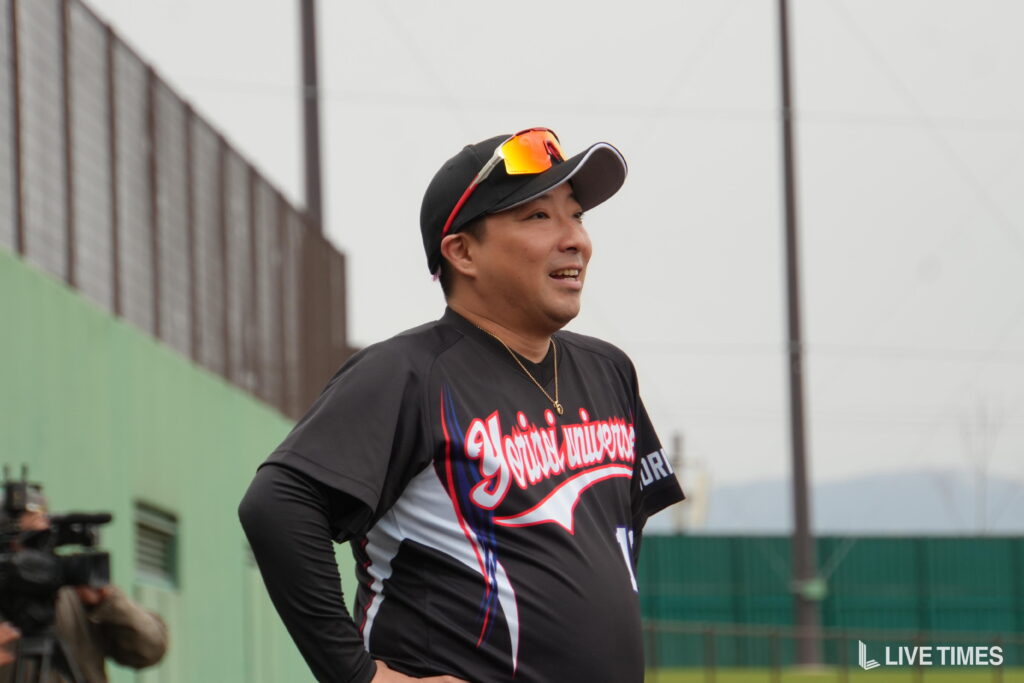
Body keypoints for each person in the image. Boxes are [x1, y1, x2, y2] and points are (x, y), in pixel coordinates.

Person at [239, 127, 684, 683]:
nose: (575, 240)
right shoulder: (411, 373)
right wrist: (361, 679)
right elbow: (277, 506)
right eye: (539, 217)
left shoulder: (609, 371)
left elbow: (610, 558)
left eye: (577, 215)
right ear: (463, 251)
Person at [0, 490, 168, 683]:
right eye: (19, 537)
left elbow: (149, 650)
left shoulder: (74, 590)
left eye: (37, 538)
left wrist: (107, 602)